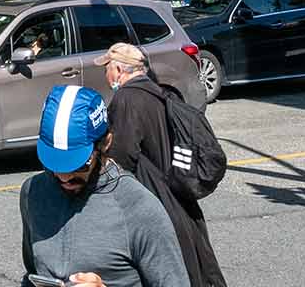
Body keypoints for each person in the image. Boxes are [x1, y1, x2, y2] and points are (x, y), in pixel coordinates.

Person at [22, 84, 190, 287]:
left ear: (106, 143)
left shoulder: (140, 209)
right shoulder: (33, 192)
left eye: (78, 165)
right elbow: (32, 274)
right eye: (54, 163)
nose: (64, 177)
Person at [98, 43, 224, 287]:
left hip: (156, 204)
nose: (105, 74)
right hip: (179, 202)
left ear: (118, 70)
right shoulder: (157, 92)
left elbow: (121, 160)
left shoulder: (126, 99)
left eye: (107, 68)